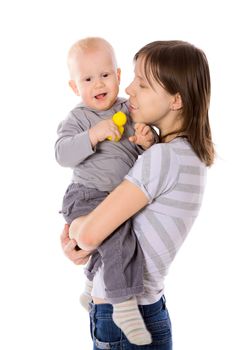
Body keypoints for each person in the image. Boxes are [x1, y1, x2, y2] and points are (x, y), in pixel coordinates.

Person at [61, 40, 215, 350]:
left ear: (176, 100)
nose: (128, 90)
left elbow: (91, 234)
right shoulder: (183, 155)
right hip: (146, 309)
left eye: (142, 84)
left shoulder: (162, 157)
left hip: (125, 317)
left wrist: (74, 232)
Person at [55, 37, 158, 346]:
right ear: (75, 87)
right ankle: (123, 308)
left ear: (118, 75)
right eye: (87, 79)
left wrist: (146, 139)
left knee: (121, 238)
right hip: (86, 195)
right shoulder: (79, 119)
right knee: (118, 240)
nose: (98, 84)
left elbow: (149, 147)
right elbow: (61, 154)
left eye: (104, 75)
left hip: (117, 199)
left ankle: (90, 287)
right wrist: (92, 135)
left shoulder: (129, 111)